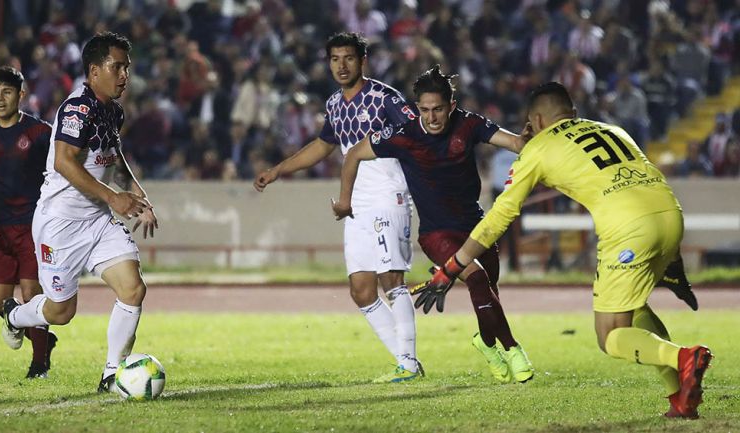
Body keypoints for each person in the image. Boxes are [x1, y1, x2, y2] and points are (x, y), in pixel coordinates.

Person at [417, 82, 711, 418]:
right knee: (634, 309)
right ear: (571, 113)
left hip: (627, 229)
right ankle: (679, 397)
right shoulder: (612, 129)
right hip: (671, 214)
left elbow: (499, 217)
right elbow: (642, 183)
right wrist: (673, 267)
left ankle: (685, 357)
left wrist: (452, 266)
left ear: (537, 121)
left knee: (610, 335)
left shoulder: (538, 148)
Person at [332, 65, 535, 384]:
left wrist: (526, 140)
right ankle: (513, 349)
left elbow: (513, 143)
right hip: (437, 234)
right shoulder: (403, 135)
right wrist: (345, 200)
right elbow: (354, 154)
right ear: (416, 109)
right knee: (479, 280)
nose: (432, 117)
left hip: (477, 228)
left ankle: (486, 342)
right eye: (425, 110)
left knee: (488, 292)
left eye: (438, 109)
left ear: (451, 106)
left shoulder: (468, 124)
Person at [253, 32, 421, 383]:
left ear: (363, 61)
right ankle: (405, 362)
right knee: (361, 290)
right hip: (356, 203)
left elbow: (417, 133)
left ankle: (408, 361)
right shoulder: (334, 105)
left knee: (392, 279)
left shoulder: (384, 98)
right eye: (334, 59)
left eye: (348, 58)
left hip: (388, 195)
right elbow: (323, 145)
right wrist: (279, 170)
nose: (341, 65)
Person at [0, 32, 158, 393]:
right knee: (61, 313)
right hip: (60, 225)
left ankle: (112, 374)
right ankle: (14, 315)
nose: (124, 75)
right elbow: (65, 162)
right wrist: (115, 198)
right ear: (94, 69)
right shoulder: (77, 108)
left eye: (127, 68)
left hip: (97, 222)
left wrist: (138, 196)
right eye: (116, 67)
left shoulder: (112, 110)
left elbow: (113, 159)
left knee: (132, 289)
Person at [0, 66, 57, 378]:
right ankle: (40, 336)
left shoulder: (40, 133)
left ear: (21, 95)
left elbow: (61, 169)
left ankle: (39, 365)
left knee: (32, 294)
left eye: (6, 91)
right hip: (1, 229)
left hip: (35, 228)